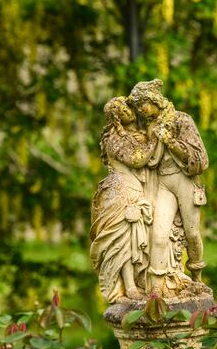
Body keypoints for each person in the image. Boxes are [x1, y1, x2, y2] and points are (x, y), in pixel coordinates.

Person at [128, 80, 209, 286]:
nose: (140, 111)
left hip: (184, 181)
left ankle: (197, 279)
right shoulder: (150, 127)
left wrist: (170, 142)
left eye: (142, 104)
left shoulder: (181, 120)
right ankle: (156, 288)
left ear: (154, 100)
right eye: (137, 107)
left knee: (192, 234)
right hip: (164, 183)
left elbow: (200, 159)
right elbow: (148, 159)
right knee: (158, 234)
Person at [89, 97, 157, 302]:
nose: (128, 112)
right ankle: (125, 288)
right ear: (116, 117)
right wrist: (156, 140)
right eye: (122, 110)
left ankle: (137, 283)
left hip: (133, 192)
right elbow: (137, 160)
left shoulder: (132, 135)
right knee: (121, 242)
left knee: (135, 240)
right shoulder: (114, 139)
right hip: (120, 194)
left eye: (127, 108)